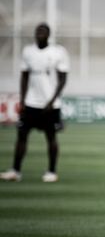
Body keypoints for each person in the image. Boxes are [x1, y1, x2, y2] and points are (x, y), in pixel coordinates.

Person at [0, 23, 69, 183]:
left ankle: (51, 171)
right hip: (31, 102)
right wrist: (22, 100)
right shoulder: (28, 51)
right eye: (38, 31)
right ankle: (15, 171)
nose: (40, 33)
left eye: (43, 31)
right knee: (21, 136)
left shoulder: (58, 52)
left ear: (49, 34)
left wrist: (53, 100)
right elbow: (24, 76)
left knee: (51, 137)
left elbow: (63, 78)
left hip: (51, 104)